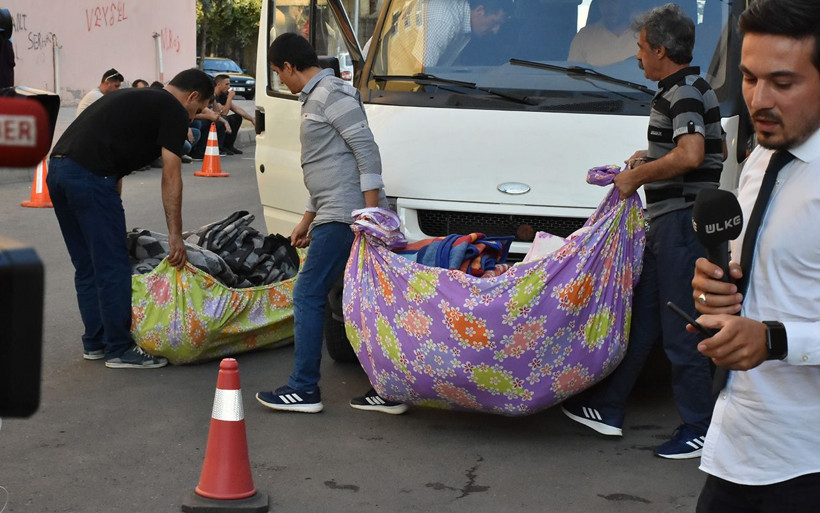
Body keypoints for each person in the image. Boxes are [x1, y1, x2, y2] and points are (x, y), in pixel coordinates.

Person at [562, 3, 724, 459]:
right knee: (645, 319)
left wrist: (637, 176)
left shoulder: (683, 92)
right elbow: (716, 147)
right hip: (669, 224)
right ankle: (609, 407)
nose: (636, 57)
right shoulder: (691, 88)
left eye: (640, 48)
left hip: (680, 225)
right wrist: (650, 155)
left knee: (681, 327)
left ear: (660, 50)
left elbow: (692, 154)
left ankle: (699, 427)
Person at [690, 0, 820, 510]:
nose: (757, 100)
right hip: (738, 446)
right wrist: (715, 292)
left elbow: (775, 330)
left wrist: (773, 339)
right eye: (748, 78)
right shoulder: (760, 157)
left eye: (782, 83)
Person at [255, 33, 407, 415]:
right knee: (359, 303)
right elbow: (328, 165)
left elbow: (366, 154)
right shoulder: (317, 97)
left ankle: (304, 389)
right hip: (332, 213)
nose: (281, 82)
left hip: (345, 217)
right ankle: (391, 390)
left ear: (290, 66)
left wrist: (370, 221)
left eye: (279, 73)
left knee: (307, 294)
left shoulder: (331, 94)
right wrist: (307, 218)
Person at [46, 69, 213, 369]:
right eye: (197, 110)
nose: (193, 118)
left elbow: (116, 159)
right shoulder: (173, 110)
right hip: (91, 177)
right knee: (112, 265)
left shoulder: (140, 97)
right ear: (192, 96)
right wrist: (175, 235)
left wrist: (110, 209)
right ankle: (119, 349)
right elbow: (171, 174)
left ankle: (95, 343)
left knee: (87, 265)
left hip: (59, 170)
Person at [392, 0, 513, 68]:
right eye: (494, 22)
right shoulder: (445, 22)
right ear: (480, 10)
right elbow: (421, 73)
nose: (496, 30)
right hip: (392, 78)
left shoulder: (461, 18)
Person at [568, 0, 642, 67]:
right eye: (603, 1)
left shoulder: (646, 34)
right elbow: (572, 77)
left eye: (614, 1)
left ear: (627, 3)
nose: (609, 7)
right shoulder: (584, 36)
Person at [213, 74, 255, 155]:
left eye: (229, 84)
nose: (229, 87)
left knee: (237, 117)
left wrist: (252, 119)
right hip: (211, 120)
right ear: (218, 85)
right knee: (225, 118)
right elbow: (223, 112)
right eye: (226, 84)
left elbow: (236, 109)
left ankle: (229, 146)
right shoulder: (214, 95)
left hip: (219, 118)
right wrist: (229, 98)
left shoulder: (223, 95)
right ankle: (220, 147)